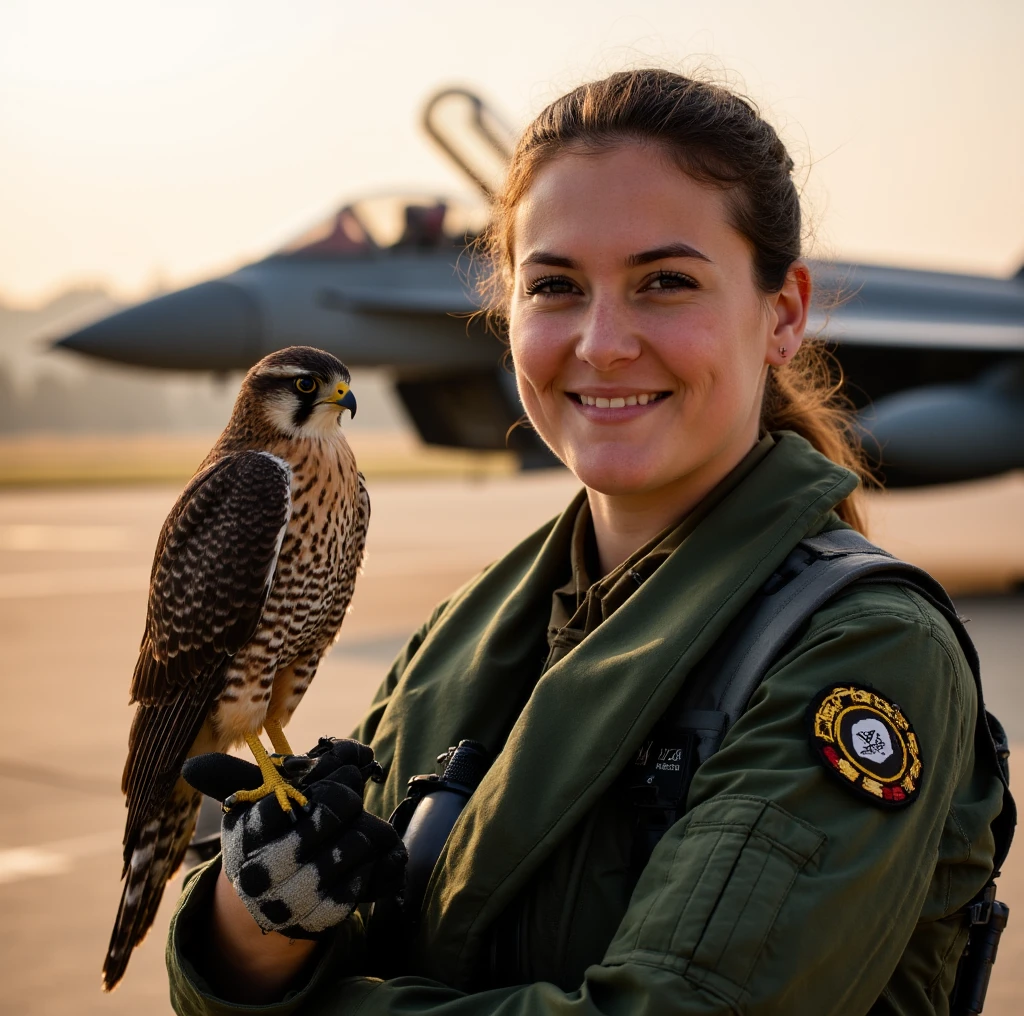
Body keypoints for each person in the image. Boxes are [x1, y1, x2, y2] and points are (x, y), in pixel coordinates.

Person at [166, 69, 1008, 1015]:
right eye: (556, 285)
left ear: (783, 313)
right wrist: (258, 917)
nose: (602, 343)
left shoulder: (862, 653)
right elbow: (293, 937)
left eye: (666, 283)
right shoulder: (469, 628)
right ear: (508, 311)